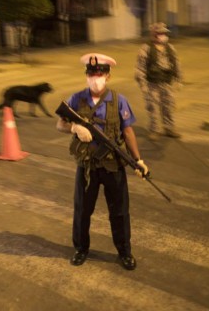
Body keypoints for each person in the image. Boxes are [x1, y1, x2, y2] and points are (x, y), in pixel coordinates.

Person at [56, 53, 149, 270]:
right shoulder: (76, 99)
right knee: (82, 211)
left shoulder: (118, 100)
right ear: (86, 75)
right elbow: (59, 124)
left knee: (119, 212)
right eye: (91, 74)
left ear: (108, 76)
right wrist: (74, 127)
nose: (95, 78)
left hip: (113, 166)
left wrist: (138, 160)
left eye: (99, 74)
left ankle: (124, 251)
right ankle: (80, 249)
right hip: (87, 167)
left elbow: (128, 131)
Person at [135, 22, 182, 141]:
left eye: (164, 33)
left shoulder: (170, 48)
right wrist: (143, 84)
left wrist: (179, 80)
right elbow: (140, 68)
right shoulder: (146, 49)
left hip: (166, 83)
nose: (163, 35)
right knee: (153, 107)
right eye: (160, 33)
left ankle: (169, 128)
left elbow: (176, 64)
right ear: (154, 34)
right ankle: (155, 129)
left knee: (168, 105)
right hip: (152, 84)